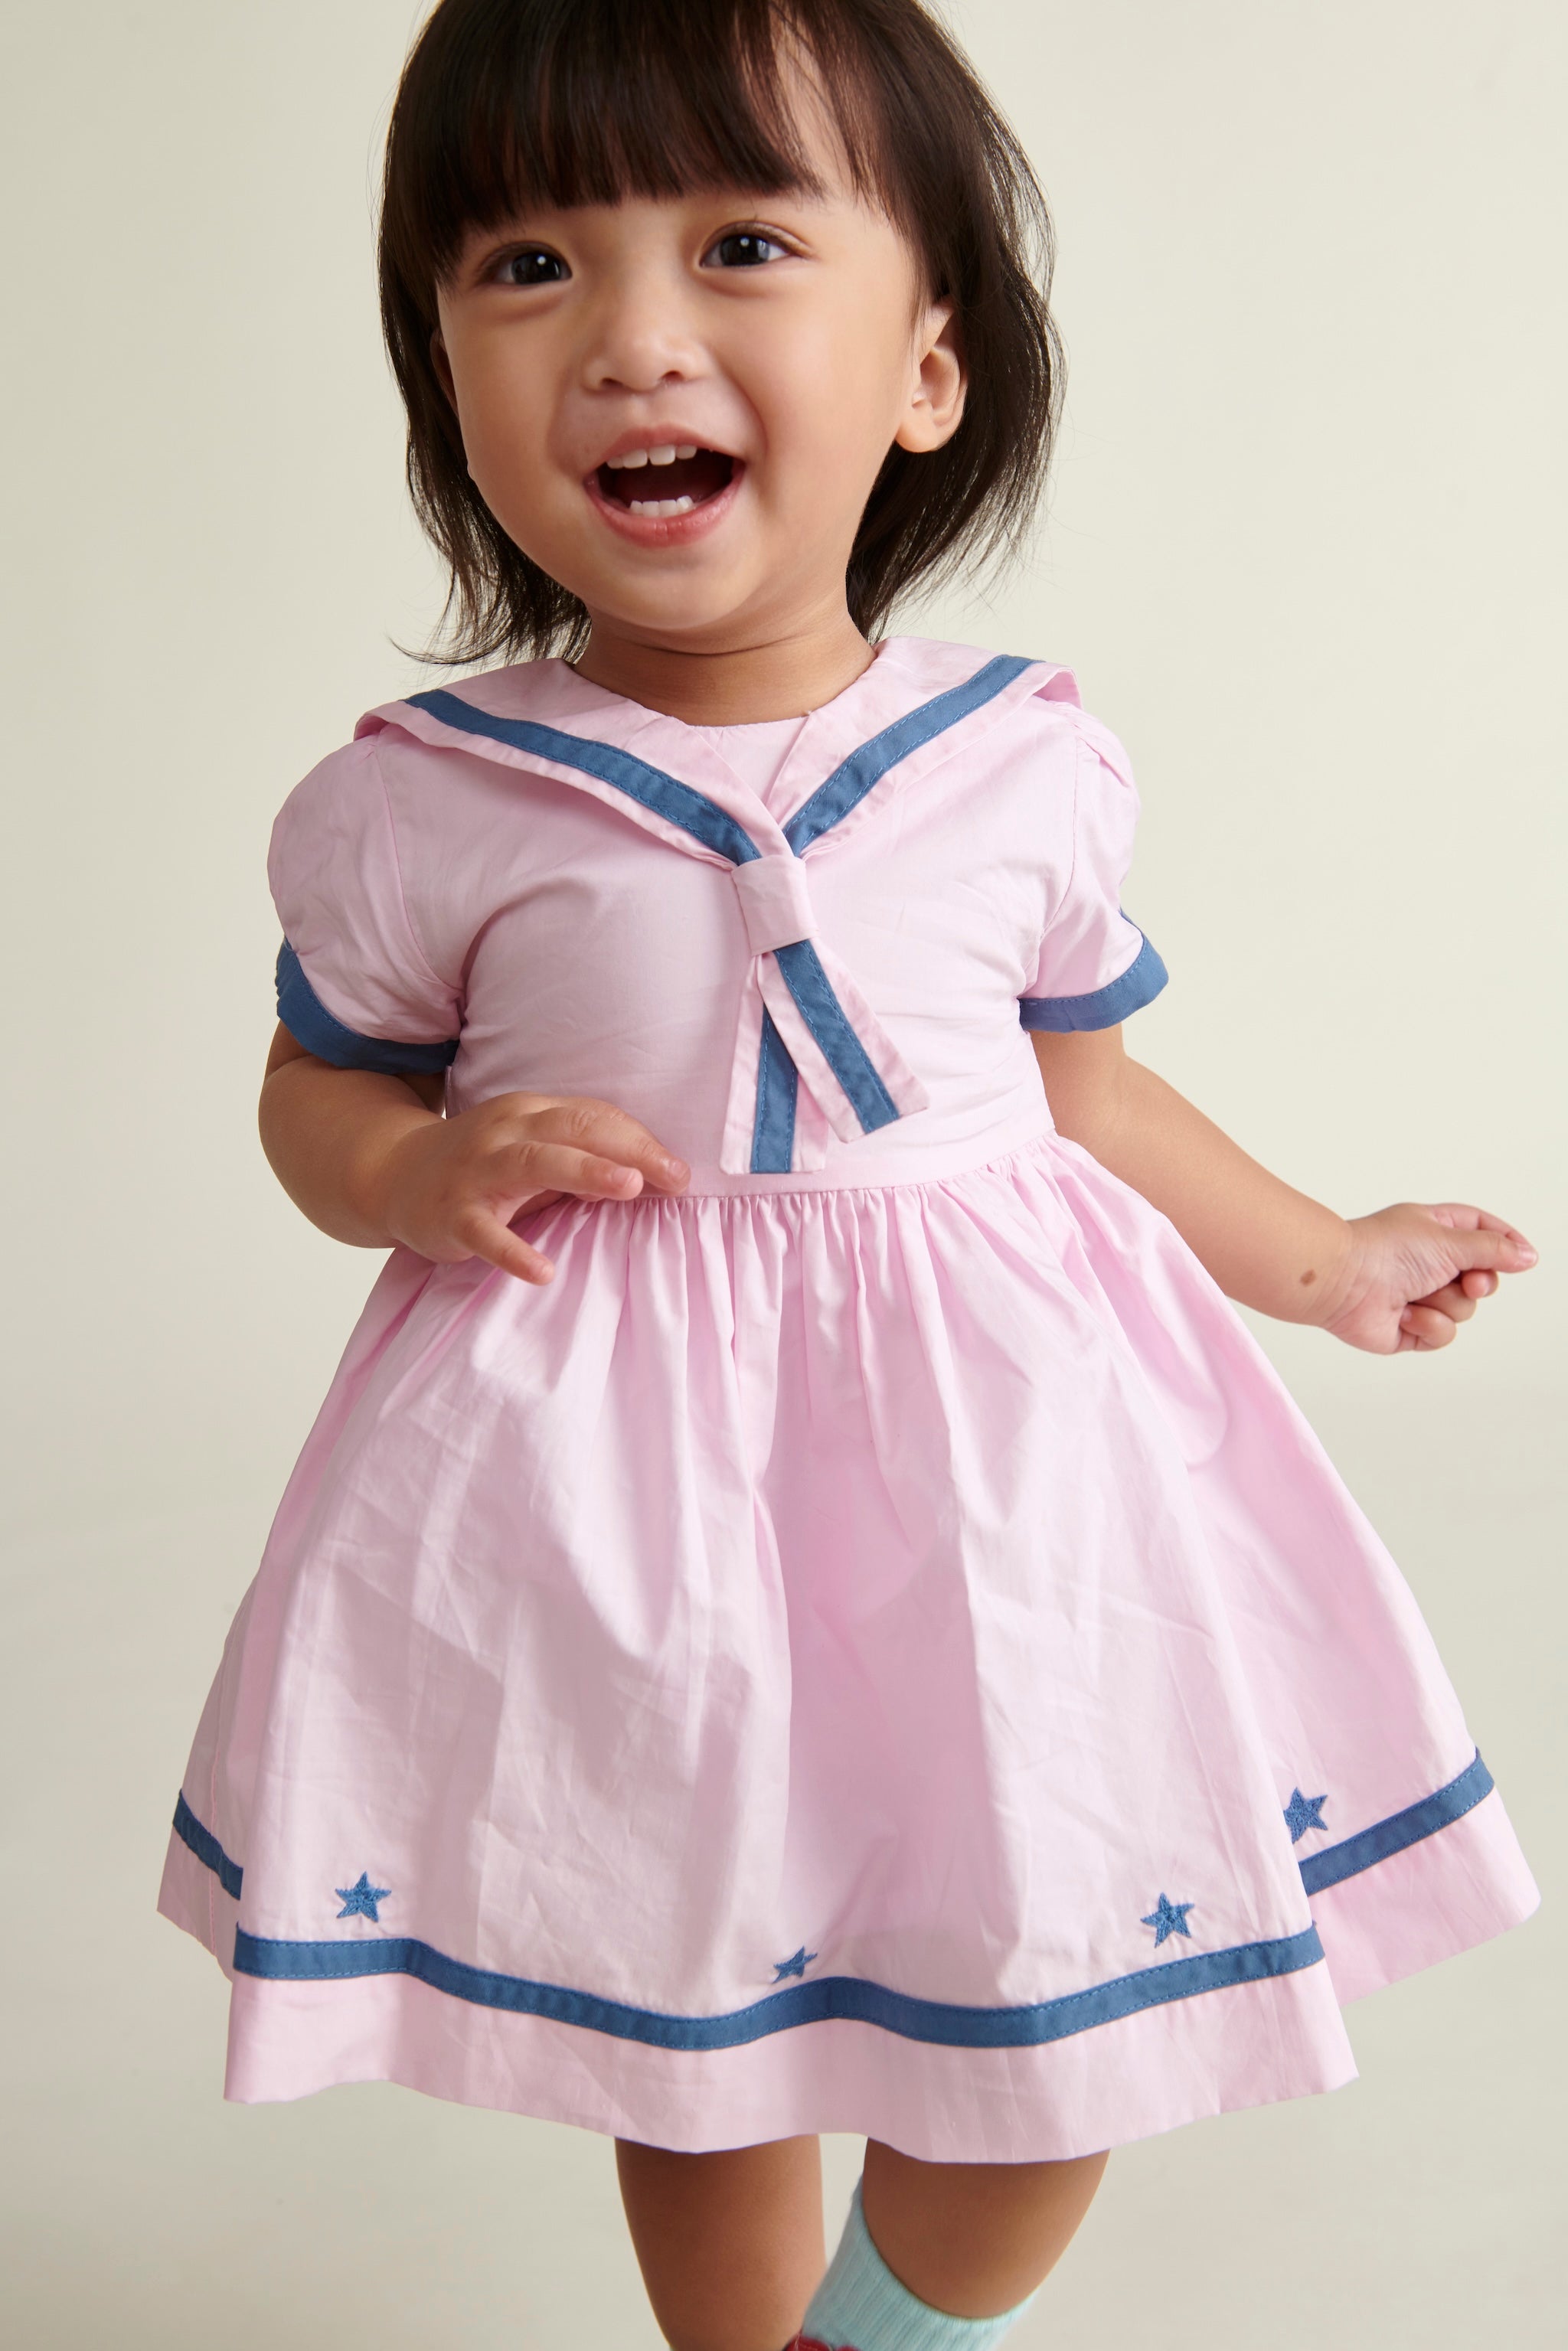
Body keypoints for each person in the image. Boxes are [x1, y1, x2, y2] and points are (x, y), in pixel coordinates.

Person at [158, 2, 1540, 2346]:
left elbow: (1091, 1088)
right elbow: (315, 1105)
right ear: (443, 378)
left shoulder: (1019, 765)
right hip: (629, 1508)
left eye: (741, 241)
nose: (630, 337)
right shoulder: (422, 802)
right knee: (699, 2033)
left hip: (1006, 1486)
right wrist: (420, 1166)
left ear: (927, 368)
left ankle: (879, 2338)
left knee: (1067, 1980)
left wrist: (1323, 1257)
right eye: (524, 268)